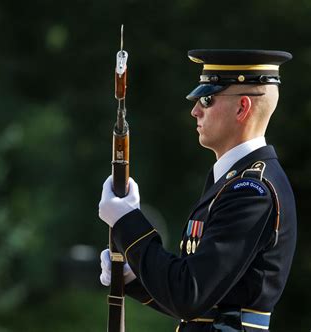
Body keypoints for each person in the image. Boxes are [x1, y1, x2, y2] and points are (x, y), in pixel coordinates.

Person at [98, 49, 297, 331]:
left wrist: (128, 225)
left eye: (207, 99)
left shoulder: (251, 190)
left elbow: (188, 296)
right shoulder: (231, 181)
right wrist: (136, 276)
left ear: (242, 108)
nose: (195, 110)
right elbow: (205, 302)